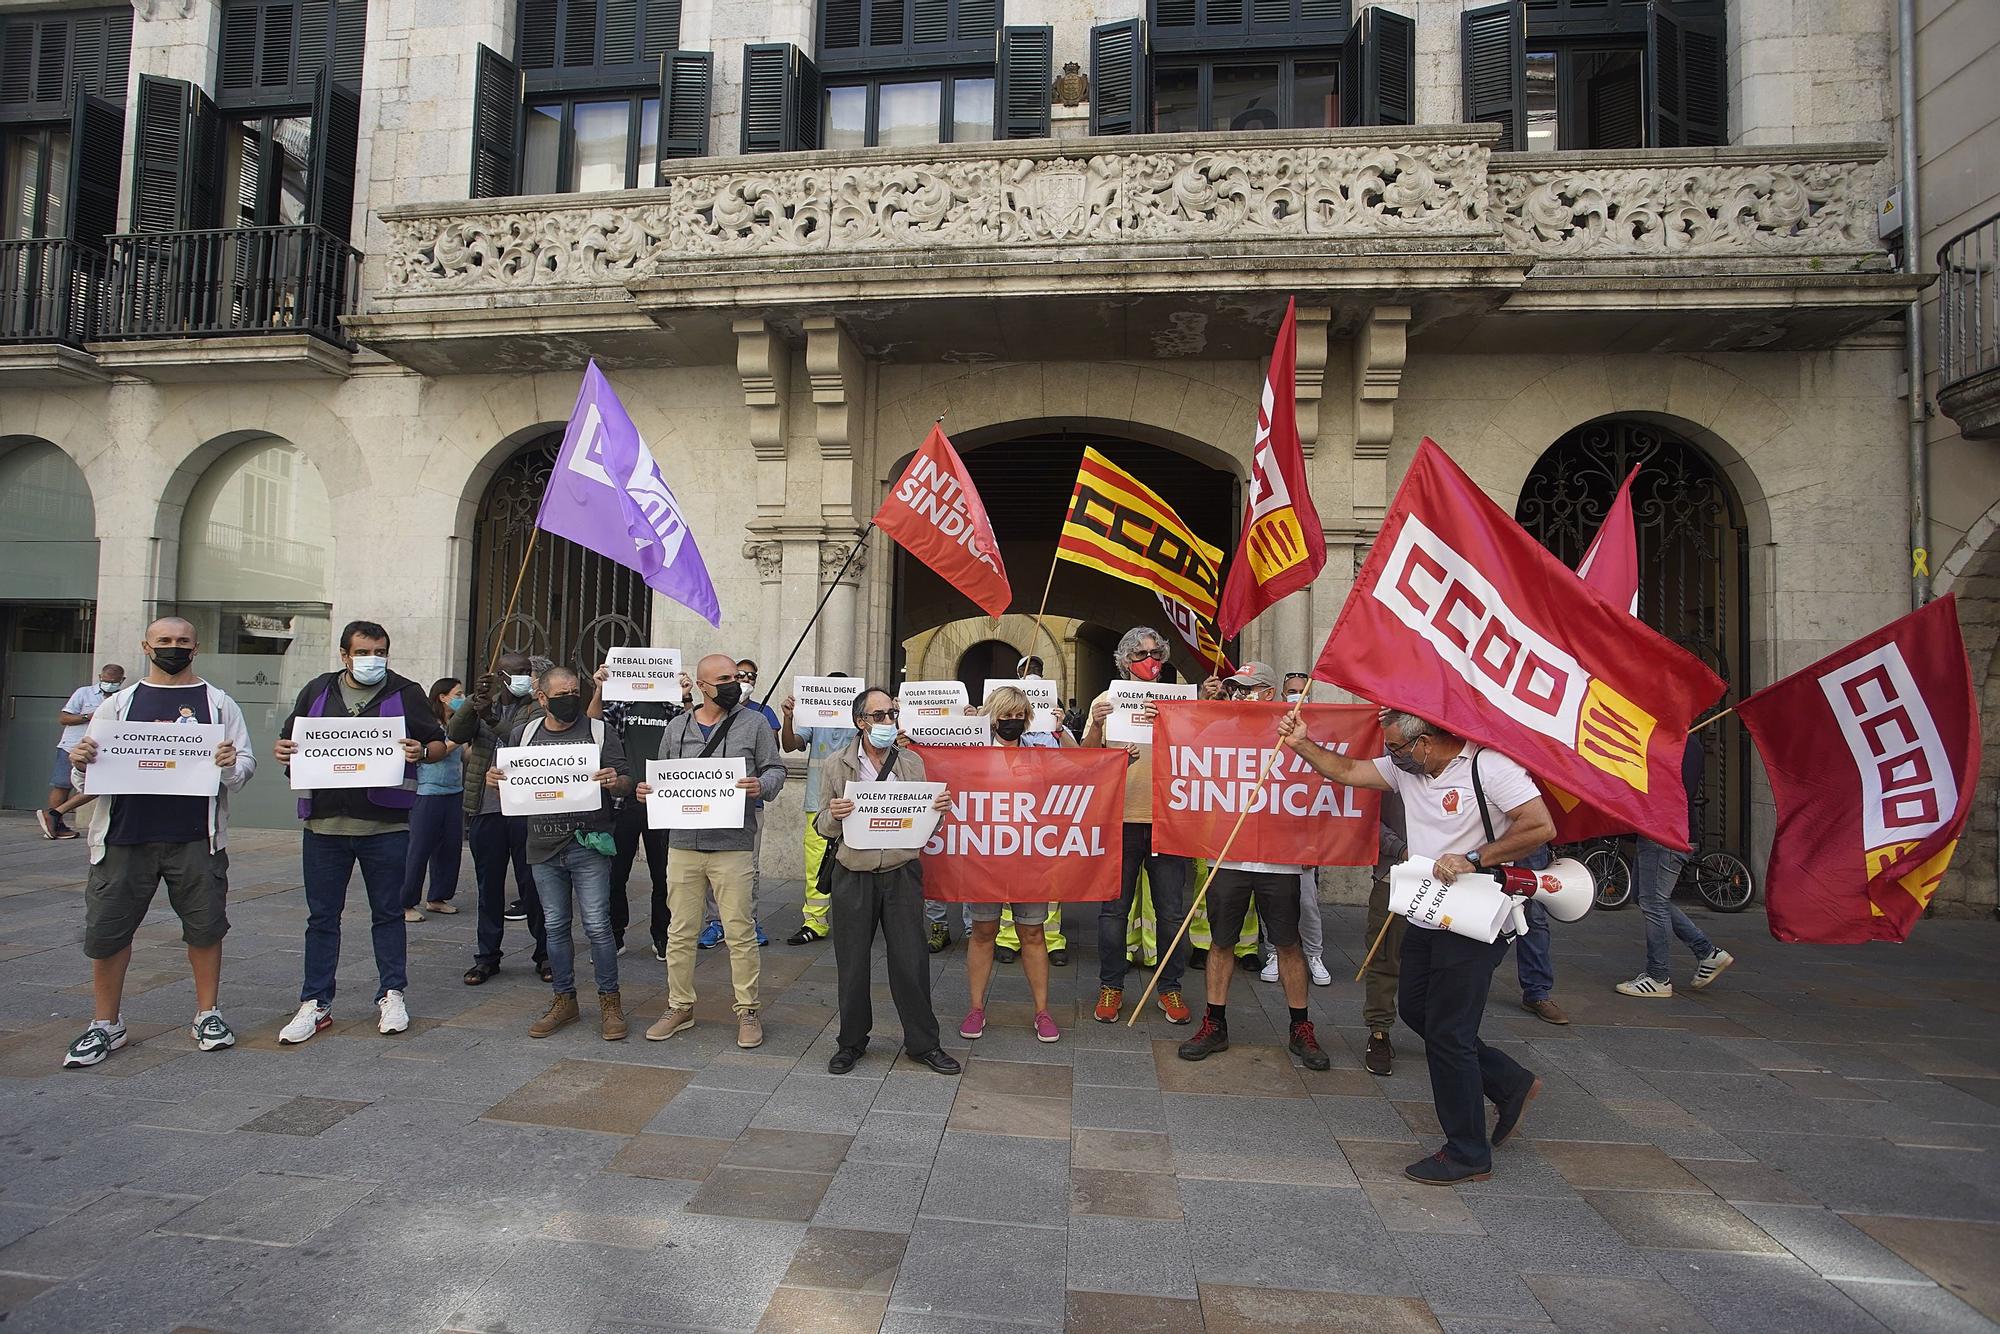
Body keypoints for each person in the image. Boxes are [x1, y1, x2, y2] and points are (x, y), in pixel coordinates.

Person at [1279, 709, 1549, 1186]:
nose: (1390, 757)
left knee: (1449, 1032)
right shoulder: (1408, 768)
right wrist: (1301, 742)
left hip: (1478, 915)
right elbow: (1345, 770)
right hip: (1430, 908)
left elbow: (1538, 826)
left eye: (1398, 749)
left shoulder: (1490, 767)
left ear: (1426, 741)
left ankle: (1468, 1151)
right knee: (1417, 1009)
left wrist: (1473, 858)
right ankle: (1509, 1082)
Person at [60, 620, 251, 1067]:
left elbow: (243, 766)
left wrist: (228, 764)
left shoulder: (217, 703)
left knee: (205, 928)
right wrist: (79, 762)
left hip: (195, 838)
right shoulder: (118, 705)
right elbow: (89, 773)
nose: (173, 647)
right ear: (147, 646)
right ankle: (106, 1023)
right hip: (125, 836)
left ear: (196, 647)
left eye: (182, 641)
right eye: (164, 641)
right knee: (108, 931)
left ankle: (207, 1013)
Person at [273, 620, 447, 1044]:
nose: (374, 660)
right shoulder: (317, 690)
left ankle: (391, 993)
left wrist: (421, 751)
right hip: (324, 825)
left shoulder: (406, 692)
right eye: (365, 652)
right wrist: (284, 751)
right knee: (322, 917)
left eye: (381, 652)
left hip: (385, 825)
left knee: (388, 913)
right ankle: (315, 1002)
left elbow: (439, 744)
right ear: (344, 655)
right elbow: (289, 740)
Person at [1175, 664, 1330, 1071]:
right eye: (1235, 690)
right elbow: (1186, 761)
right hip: (1228, 854)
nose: (1241, 697)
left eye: (1249, 689)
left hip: (1280, 858)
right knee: (1221, 942)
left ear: (1268, 691)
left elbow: (1319, 779)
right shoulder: (1216, 731)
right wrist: (1163, 718)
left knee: (1287, 943)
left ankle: (1301, 1027)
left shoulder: (1292, 731)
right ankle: (1215, 1022)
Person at [639, 653, 786, 1050]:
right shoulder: (676, 727)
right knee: (680, 931)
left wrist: (761, 786)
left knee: (739, 932)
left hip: (733, 845)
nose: (733, 682)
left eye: (735, 677)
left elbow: (776, 769)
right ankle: (679, 1006)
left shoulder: (754, 723)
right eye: (723, 678)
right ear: (702, 686)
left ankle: (747, 1009)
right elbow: (662, 776)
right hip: (684, 845)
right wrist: (647, 791)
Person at [820, 687, 961, 1076]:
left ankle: (923, 1043)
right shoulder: (836, 764)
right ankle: (850, 1042)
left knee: (910, 960)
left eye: (892, 715)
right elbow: (822, 825)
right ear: (861, 722)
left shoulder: (911, 763)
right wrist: (835, 815)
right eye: (879, 716)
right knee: (852, 962)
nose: (888, 722)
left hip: (901, 872)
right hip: (853, 873)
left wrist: (939, 811)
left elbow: (925, 822)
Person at [488, 666, 633, 1040]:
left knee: (598, 926)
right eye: (561, 693)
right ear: (542, 698)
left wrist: (615, 781)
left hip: (588, 843)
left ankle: (609, 1001)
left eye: (574, 691)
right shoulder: (525, 734)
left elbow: (626, 779)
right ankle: (563, 998)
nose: (570, 698)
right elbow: (508, 778)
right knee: (554, 925)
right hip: (542, 846)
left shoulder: (600, 731)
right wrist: (496, 778)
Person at [1081, 626, 1193, 1026]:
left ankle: (1170, 988)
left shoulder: (1179, 703)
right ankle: (1111, 985)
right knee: (1114, 912)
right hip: (1122, 821)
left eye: (1157, 655)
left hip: (1169, 821)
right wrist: (1095, 725)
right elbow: (1085, 761)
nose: (1153, 662)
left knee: (1171, 913)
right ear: (1125, 662)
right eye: (1143, 655)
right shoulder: (1105, 701)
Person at [958, 686, 1064, 1044]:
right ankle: (975, 1008)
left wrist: (1116, 762)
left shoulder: (1039, 752)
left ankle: (1043, 1010)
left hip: (1029, 858)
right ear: (993, 715)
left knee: (1033, 934)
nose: (1013, 722)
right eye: (1007, 715)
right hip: (984, 857)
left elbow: (1079, 770)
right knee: (983, 932)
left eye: (1020, 716)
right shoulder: (974, 752)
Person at [452, 651, 549, 985]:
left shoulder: (536, 706)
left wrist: (491, 718)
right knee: (488, 887)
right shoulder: (484, 703)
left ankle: (545, 954)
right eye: (517, 671)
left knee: (533, 887)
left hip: (524, 810)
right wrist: (472, 704)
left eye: (527, 670)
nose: (524, 675)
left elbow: (525, 738)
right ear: (502, 675)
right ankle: (487, 956)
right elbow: (456, 731)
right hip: (487, 809)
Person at [1616, 740, 1735, 998]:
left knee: (1654, 903)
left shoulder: (1680, 743)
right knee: (1645, 896)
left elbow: (1670, 790)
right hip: (1663, 832)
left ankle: (1658, 977)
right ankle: (1707, 952)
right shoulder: (1681, 742)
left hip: (1666, 833)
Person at [589, 662, 679, 960]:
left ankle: (662, 934)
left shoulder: (671, 708)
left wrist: (687, 695)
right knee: (616, 875)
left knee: (663, 876)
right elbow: (594, 724)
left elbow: (692, 733)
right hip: (623, 803)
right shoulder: (621, 706)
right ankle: (615, 935)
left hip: (662, 802)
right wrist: (600, 689)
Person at [697, 658, 777, 949]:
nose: (740, 681)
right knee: (707, 869)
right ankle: (715, 923)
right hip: (704, 812)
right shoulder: (688, 721)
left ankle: (748, 921)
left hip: (747, 811)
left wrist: (760, 785)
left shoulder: (760, 716)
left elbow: (773, 762)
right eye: (734, 676)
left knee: (748, 869)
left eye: (747, 676)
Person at [779, 672, 854, 946]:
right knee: (815, 866)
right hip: (818, 803)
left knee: (854, 864)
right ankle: (815, 922)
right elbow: (790, 745)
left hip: (854, 804)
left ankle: (851, 920)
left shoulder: (859, 723)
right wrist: (788, 717)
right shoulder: (813, 721)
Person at [399, 677, 465, 922]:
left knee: (449, 849)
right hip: (427, 792)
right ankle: (406, 901)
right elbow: (436, 753)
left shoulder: (457, 724)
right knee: (419, 849)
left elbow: (465, 754)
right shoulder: (428, 724)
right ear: (442, 697)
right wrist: (457, 738)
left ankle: (438, 897)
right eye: (458, 694)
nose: (462, 698)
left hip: (453, 791)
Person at [40, 662, 125, 839]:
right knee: (63, 785)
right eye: (107, 680)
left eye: (115, 681)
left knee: (99, 786)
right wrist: (88, 716)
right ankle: (56, 823)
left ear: (121, 681)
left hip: (101, 752)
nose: (110, 684)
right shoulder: (84, 693)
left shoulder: (122, 698)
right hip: (72, 746)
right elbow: (64, 718)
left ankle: (54, 815)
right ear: (100, 678)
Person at [1362, 790, 1409, 1076]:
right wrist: (1402, 849)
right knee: (1383, 956)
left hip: (1451, 878)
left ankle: (1452, 1035)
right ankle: (1379, 1032)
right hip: (1395, 875)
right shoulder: (1390, 767)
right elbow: (1367, 818)